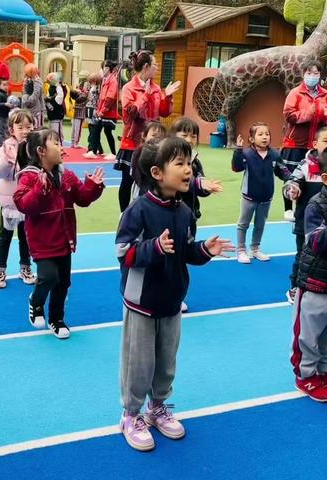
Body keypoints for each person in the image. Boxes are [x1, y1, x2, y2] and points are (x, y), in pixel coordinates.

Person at [116, 137, 233, 451]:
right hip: (142, 303)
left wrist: (204, 250)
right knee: (139, 362)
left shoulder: (184, 212)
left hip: (171, 301)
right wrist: (153, 248)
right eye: (179, 164)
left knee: (166, 361)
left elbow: (184, 253)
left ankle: (157, 408)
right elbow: (123, 252)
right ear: (157, 172)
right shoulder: (138, 211)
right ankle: (130, 414)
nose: (188, 170)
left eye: (189, 163)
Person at [13, 128, 104, 339]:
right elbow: (23, 205)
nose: (60, 147)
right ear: (41, 151)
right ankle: (36, 302)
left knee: (63, 282)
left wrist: (93, 187)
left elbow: (82, 198)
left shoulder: (67, 175)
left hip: (64, 238)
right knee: (48, 276)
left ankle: (57, 319)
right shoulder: (29, 177)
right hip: (42, 241)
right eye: (55, 143)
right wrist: (39, 190)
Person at [114, 50, 181, 212]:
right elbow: (130, 113)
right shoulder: (129, 88)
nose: (157, 68)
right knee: (127, 181)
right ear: (146, 66)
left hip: (154, 143)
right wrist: (145, 95)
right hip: (132, 143)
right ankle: (124, 214)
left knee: (151, 180)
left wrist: (167, 97)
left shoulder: (156, 88)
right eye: (155, 64)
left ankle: (147, 212)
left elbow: (164, 112)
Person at [291, 150, 327, 402]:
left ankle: (323, 370)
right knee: (308, 334)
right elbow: (314, 242)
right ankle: (305, 375)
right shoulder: (316, 206)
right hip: (315, 283)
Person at [233, 122, 290, 264]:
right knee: (243, 224)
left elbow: (283, 172)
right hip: (249, 197)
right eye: (260, 134)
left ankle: (255, 248)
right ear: (251, 139)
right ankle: (241, 250)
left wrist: (293, 180)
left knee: (260, 224)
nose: (265, 137)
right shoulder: (247, 153)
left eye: (267, 134)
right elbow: (237, 167)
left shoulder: (275, 154)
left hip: (266, 198)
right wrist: (238, 150)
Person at [0, 109, 36, 288]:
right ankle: (0, 270)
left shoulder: (35, 145)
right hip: (10, 201)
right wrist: (8, 161)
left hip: (28, 200)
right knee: (5, 237)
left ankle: (25, 267)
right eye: (20, 127)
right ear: (12, 130)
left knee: (26, 237)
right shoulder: (6, 147)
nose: (25, 130)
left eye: (28, 126)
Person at [283, 125, 327, 303]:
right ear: (315, 143)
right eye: (326, 141)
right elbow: (292, 182)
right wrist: (292, 190)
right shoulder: (306, 165)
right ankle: (296, 287)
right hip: (306, 221)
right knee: (303, 255)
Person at [282, 60, 327, 222]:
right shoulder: (295, 93)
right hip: (295, 143)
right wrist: (308, 113)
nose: (312, 76)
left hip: (317, 145)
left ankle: (314, 208)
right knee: (292, 176)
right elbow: (288, 115)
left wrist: (322, 115)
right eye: (309, 73)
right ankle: (288, 208)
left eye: (316, 73)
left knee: (314, 177)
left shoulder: (325, 95)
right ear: (303, 74)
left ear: (320, 75)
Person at [171, 117, 222, 220]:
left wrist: (206, 188)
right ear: (173, 136)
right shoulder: (169, 159)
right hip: (172, 211)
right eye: (184, 136)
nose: (189, 140)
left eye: (193, 136)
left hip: (190, 212)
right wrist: (197, 183)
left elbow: (199, 185)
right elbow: (175, 180)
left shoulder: (195, 162)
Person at [130, 121, 168, 201]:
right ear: (144, 136)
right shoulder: (138, 153)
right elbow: (134, 173)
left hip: (159, 193)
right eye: (154, 135)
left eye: (161, 137)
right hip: (141, 192)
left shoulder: (166, 154)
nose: (157, 138)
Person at [96, 59, 119, 161]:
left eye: (104, 67)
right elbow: (102, 97)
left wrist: (102, 110)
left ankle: (114, 153)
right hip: (104, 111)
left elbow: (110, 97)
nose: (102, 70)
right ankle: (98, 149)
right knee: (103, 131)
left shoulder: (112, 80)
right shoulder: (106, 80)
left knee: (108, 132)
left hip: (109, 112)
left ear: (108, 69)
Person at [21, 63, 44, 128]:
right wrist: (25, 82)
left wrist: (27, 100)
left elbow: (35, 96)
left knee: (36, 127)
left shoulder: (38, 81)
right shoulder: (28, 80)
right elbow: (24, 92)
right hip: (29, 108)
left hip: (36, 109)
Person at [44, 73, 65, 145]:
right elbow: (57, 98)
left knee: (56, 132)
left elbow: (60, 97)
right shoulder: (52, 88)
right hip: (53, 115)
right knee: (54, 132)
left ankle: (59, 146)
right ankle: (56, 146)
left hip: (55, 115)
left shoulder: (57, 88)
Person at [0, 77, 11, 148]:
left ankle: (5, 146)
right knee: (0, 133)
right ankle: (1, 147)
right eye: (4, 85)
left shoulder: (5, 94)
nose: (6, 86)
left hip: (5, 115)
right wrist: (5, 104)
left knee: (6, 131)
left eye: (7, 85)